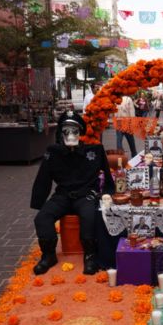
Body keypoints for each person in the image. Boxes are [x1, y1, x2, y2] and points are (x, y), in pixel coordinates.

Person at [31, 112, 115, 275]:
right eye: (66, 131)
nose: (70, 135)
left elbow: (107, 175)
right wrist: (39, 201)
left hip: (85, 195)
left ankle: (90, 256)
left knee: (89, 216)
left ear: (80, 132)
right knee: (42, 218)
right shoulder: (53, 153)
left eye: (75, 130)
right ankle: (48, 255)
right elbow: (43, 177)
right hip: (62, 195)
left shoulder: (94, 151)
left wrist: (106, 194)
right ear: (61, 133)